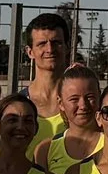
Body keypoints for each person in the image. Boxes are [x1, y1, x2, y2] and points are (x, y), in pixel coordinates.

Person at [23, 12, 76, 143]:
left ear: (67, 47)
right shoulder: (18, 105)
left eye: (56, 42)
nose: (50, 49)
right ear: (30, 52)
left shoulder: (82, 104)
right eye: (42, 44)